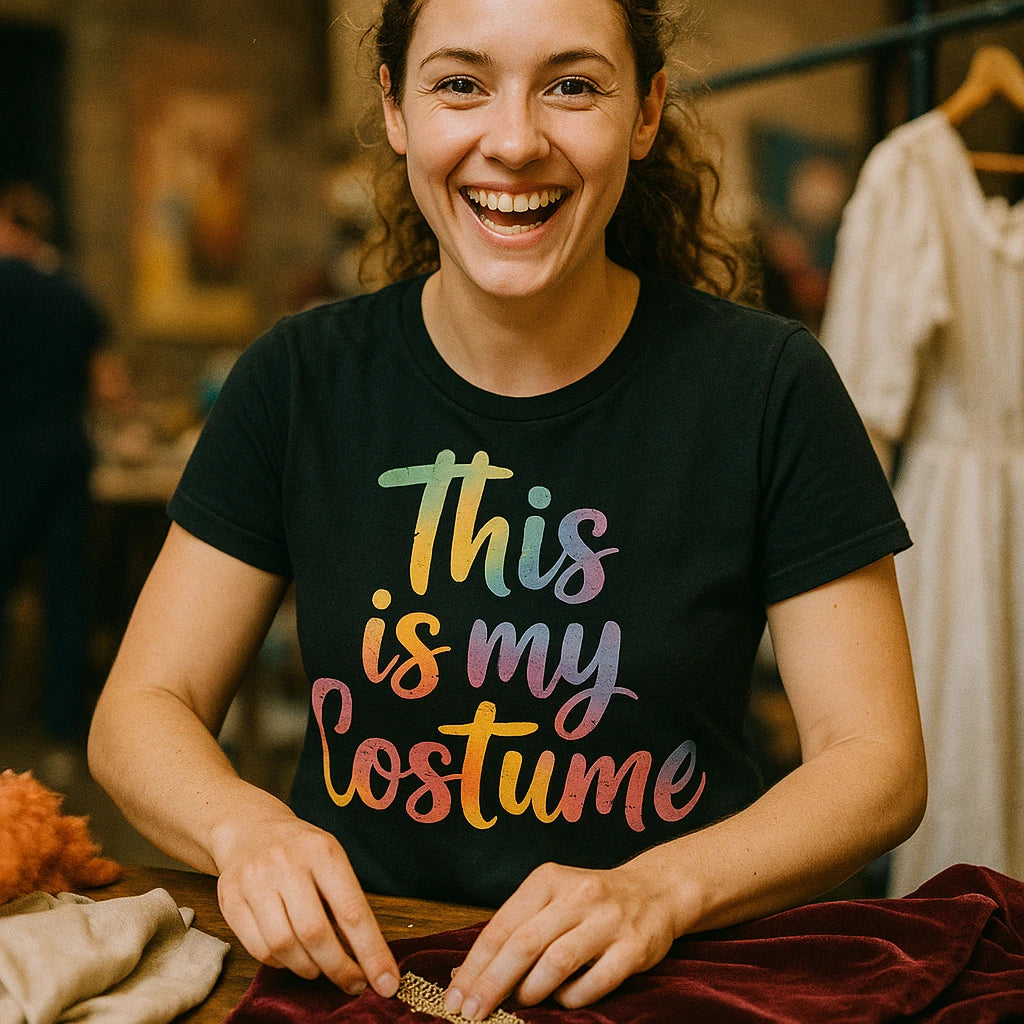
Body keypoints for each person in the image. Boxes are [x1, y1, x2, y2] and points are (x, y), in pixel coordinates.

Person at [87, 0, 927, 1019]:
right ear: (396, 109)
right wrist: (242, 829)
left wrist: (657, 888)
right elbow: (140, 708)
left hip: (663, 974)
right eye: (461, 83)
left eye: (572, 84)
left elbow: (874, 763)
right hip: (363, 970)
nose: (517, 139)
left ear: (647, 112)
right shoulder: (297, 380)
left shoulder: (767, 386)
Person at [0, 181, 125, 745]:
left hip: (10, 456)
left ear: (9, 226)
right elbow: (108, 385)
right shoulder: (74, 293)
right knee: (66, 595)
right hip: (68, 456)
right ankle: (63, 724)